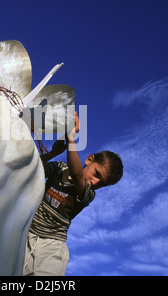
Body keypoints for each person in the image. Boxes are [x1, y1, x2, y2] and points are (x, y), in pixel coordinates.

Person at [23, 112, 123, 276]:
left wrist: (71, 139)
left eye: (102, 184)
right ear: (89, 160)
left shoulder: (88, 194)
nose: (95, 182)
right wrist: (52, 154)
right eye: (97, 174)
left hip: (51, 248)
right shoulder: (61, 168)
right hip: (24, 235)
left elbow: (78, 177)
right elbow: (33, 169)